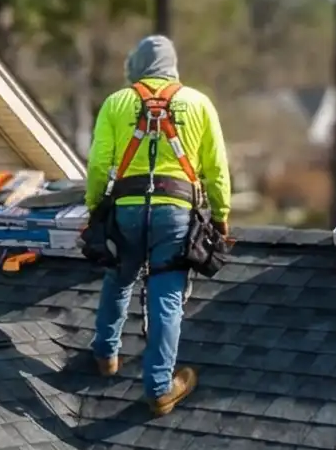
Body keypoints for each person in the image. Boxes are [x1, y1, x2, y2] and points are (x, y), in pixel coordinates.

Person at [84, 34, 231, 414]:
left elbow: (100, 165)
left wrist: (93, 209)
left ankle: (105, 355)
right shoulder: (198, 103)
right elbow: (215, 169)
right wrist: (221, 215)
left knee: (119, 276)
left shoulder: (117, 102)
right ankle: (159, 388)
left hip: (128, 208)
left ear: (137, 64)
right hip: (175, 210)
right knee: (166, 295)